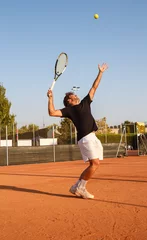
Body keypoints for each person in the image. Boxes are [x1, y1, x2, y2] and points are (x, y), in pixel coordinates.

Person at [47, 63, 108, 199]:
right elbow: (52, 112)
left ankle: (78, 187)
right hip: (86, 138)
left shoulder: (85, 102)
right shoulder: (69, 110)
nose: (76, 96)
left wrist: (101, 73)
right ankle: (80, 187)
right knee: (95, 163)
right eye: (73, 95)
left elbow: (94, 87)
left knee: (95, 164)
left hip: (92, 137)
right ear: (69, 100)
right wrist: (51, 98)